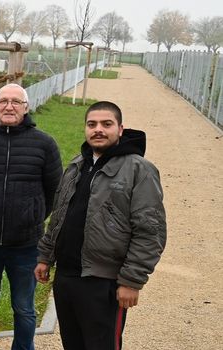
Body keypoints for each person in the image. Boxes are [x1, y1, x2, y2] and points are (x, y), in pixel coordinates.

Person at [34, 101, 166, 350]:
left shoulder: (139, 169)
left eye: (107, 124)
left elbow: (151, 231)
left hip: (104, 281)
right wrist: (45, 256)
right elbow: (60, 216)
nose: (98, 130)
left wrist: (131, 281)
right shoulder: (76, 165)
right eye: (92, 124)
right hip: (67, 277)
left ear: (120, 128)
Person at [0, 83, 62, 350]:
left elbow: (55, 190)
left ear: (26, 107)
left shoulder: (44, 144)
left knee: (24, 307)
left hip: (26, 244)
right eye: (3, 101)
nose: (9, 106)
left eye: (16, 102)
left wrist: (32, 216)